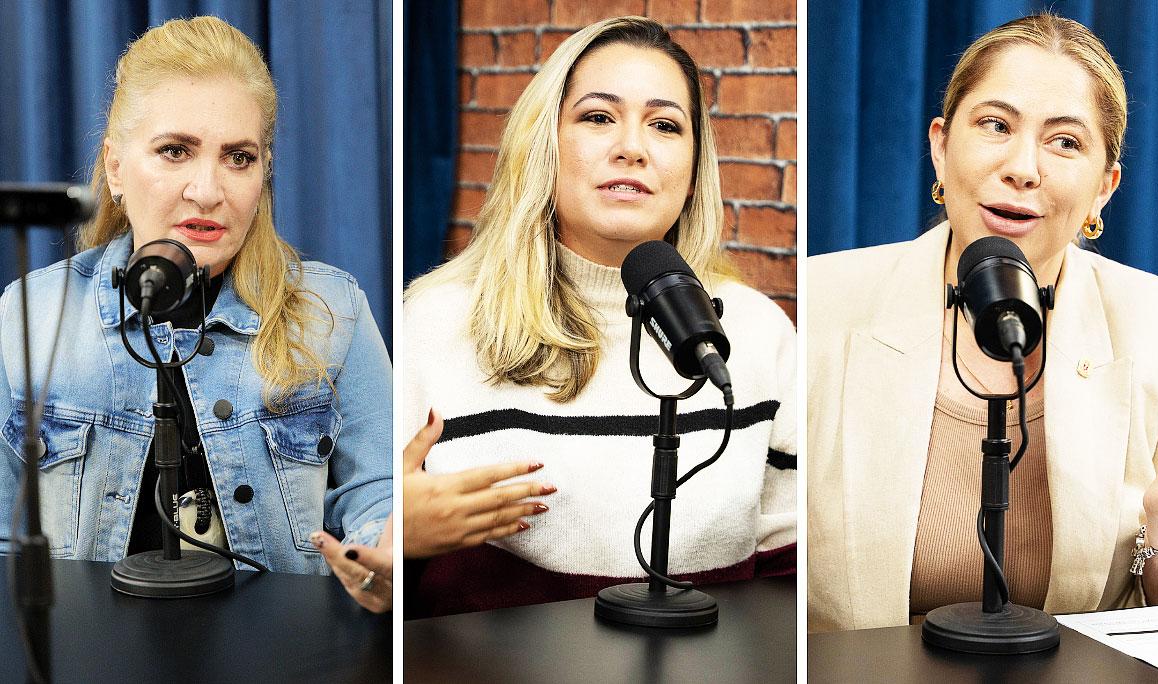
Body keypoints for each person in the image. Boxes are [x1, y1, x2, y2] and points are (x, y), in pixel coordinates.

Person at [808, 12, 1158, 632]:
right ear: (941, 147)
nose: (1023, 168)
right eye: (996, 125)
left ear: (1105, 186)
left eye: (1064, 142)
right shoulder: (821, 304)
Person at [402, 16, 796, 616]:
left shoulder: (759, 332)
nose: (632, 148)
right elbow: (372, 584)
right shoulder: (436, 321)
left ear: (694, 171)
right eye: (598, 117)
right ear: (545, 146)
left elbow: (791, 589)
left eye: (664, 125)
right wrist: (397, 539)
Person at [0, 16, 393, 613]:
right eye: (175, 151)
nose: (207, 190)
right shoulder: (29, 314)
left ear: (264, 172)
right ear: (115, 167)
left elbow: (380, 496)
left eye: (238, 157)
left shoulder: (333, 311)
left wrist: (384, 557)